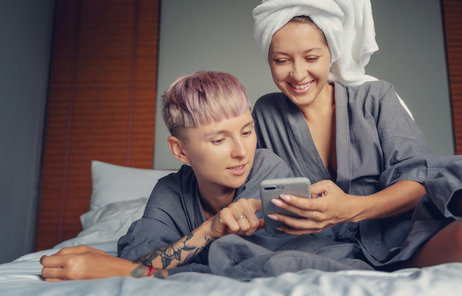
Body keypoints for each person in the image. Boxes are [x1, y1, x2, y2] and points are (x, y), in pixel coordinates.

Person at [251, 0, 462, 269]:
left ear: (332, 53)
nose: (297, 74)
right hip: (316, 250)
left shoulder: (376, 98)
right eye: (281, 61)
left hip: (403, 237)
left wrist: (351, 207)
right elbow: (249, 191)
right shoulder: (266, 113)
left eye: (311, 58)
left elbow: (419, 182)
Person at [40, 70, 294, 281]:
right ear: (180, 150)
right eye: (219, 139)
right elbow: (142, 259)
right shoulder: (171, 190)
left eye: (247, 132)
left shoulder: (268, 170)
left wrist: (116, 269)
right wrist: (209, 229)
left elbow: (251, 265)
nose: (241, 152)